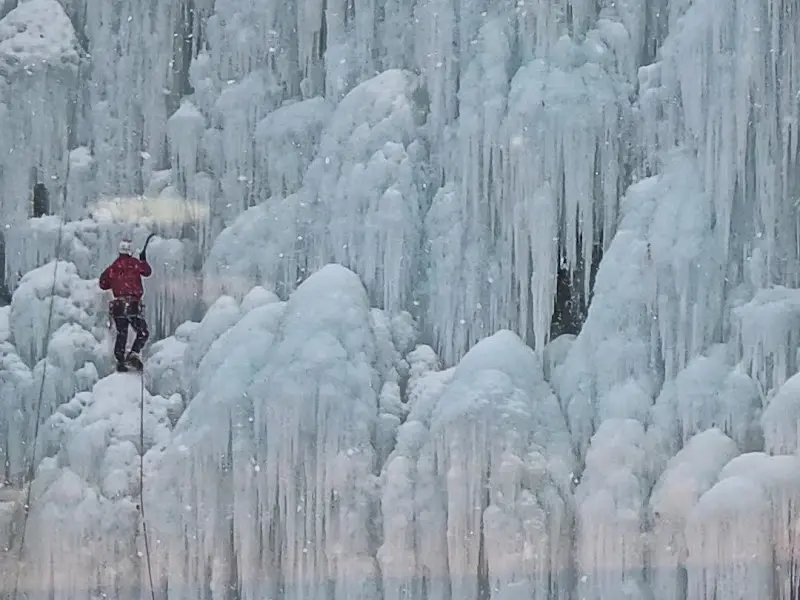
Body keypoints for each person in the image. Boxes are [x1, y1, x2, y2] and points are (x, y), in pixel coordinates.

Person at [99, 239, 152, 372]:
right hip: (133, 305)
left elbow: (103, 284)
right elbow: (147, 271)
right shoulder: (134, 264)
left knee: (121, 333)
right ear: (130, 251)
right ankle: (133, 354)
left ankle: (120, 361)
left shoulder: (113, 267)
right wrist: (143, 260)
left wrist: (116, 282)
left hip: (118, 306)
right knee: (142, 332)